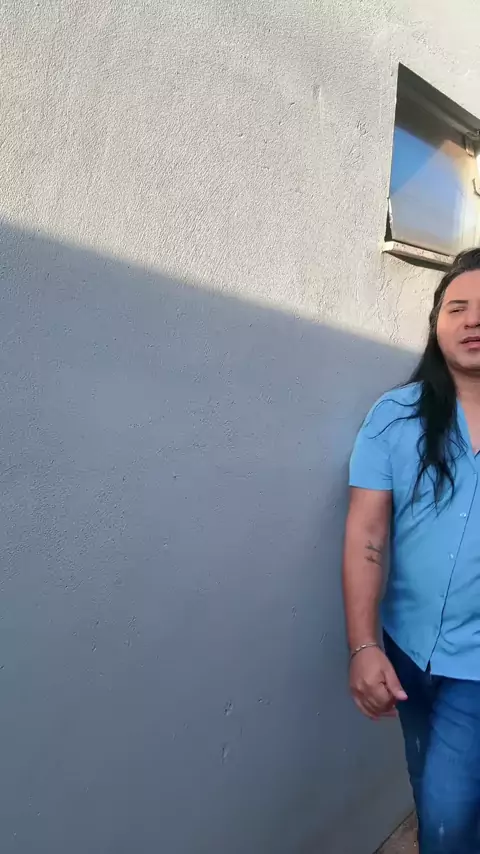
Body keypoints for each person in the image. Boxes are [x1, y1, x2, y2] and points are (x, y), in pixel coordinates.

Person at [343, 248, 480, 854]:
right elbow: (367, 534)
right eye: (458, 307)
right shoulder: (394, 417)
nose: (473, 321)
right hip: (406, 651)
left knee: (447, 823)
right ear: (436, 322)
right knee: (429, 791)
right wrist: (363, 645)